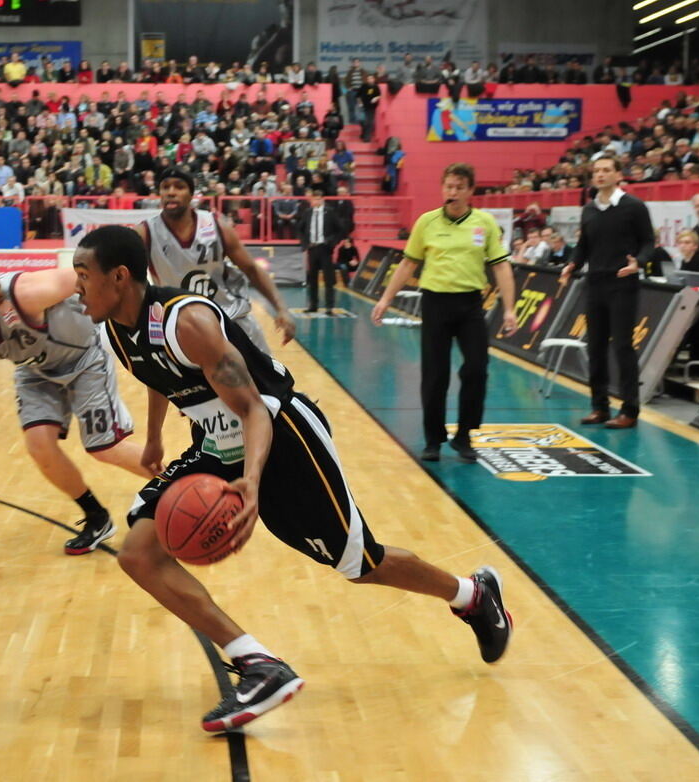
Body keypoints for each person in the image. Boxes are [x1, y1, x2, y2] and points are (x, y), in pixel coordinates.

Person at [71, 225, 513, 732]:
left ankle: (472, 595)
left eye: (84, 276)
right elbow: (161, 375)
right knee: (139, 553)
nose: (77, 287)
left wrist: (253, 481)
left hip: (281, 435)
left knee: (359, 563)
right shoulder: (118, 330)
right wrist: (152, 438)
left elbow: (255, 410)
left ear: (120, 277)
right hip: (216, 444)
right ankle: (258, 664)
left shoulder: (186, 320)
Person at [0, 259, 155, 554]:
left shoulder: (24, 294)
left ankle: (183, 480)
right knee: (39, 446)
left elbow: (87, 275)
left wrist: (137, 309)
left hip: (84, 359)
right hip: (35, 372)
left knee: (104, 447)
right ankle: (96, 518)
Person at [372, 163, 517, 462]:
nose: (452, 192)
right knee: (435, 375)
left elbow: (501, 266)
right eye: (448, 186)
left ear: (470, 191)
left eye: (459, 187)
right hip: (435, 303)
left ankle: (465, 436)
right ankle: (433, 438)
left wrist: (510, 309)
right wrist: (386, 298)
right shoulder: (427, 222)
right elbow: (409, 263)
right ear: (443, 188)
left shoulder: (485, 223)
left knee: (476, 369)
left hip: (470, 305)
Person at [135, 167, 295, 354]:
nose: (171, 192)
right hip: (181, 325)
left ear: (191, 195)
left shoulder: (216, 225)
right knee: (165, 381)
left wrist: (281, 308)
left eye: (179, 187)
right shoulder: (145, 232)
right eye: (165, 187)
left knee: (269, 381)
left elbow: (251, 269)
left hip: (230, 317)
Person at [558, 156, 654, 430]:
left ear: (617, 175)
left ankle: (629, 410)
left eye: (606, 170)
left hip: (623, 284)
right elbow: (583, 245)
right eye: (596, 171)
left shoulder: (634, 207)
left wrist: (639, 262)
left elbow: (649, 242)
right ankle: (599, 407)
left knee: (622, 346)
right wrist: (573, 264)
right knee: (595, 346)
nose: (600, 175)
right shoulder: (588, 209)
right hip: (594, 284)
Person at [297, 189, 343, 314]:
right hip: (312, 248)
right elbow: (300, 229)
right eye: (314, 198)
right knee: (312, 278)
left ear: (323, 199)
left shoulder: (330, 212)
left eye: (318, 198)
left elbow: (340, 229)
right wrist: (305, 244)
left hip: (325, 248)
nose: (316, 201)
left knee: (328, 278)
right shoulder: (308, 212)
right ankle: (313, 305)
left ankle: (329, 306)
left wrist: (332, 243)